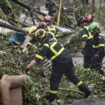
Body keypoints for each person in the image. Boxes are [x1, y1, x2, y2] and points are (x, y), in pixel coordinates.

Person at [24, 28, 91, 103]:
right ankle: (86, 90)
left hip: (59, 62)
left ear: (41, 39)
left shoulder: (46, 46)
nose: (39, 42)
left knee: (54, 80)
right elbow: (36, 39)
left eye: (39, 40)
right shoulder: (51, 36)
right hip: (68, 57)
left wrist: (28, 67)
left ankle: (51, 98)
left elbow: (37, 59)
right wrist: (27, 46)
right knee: (72, 76)